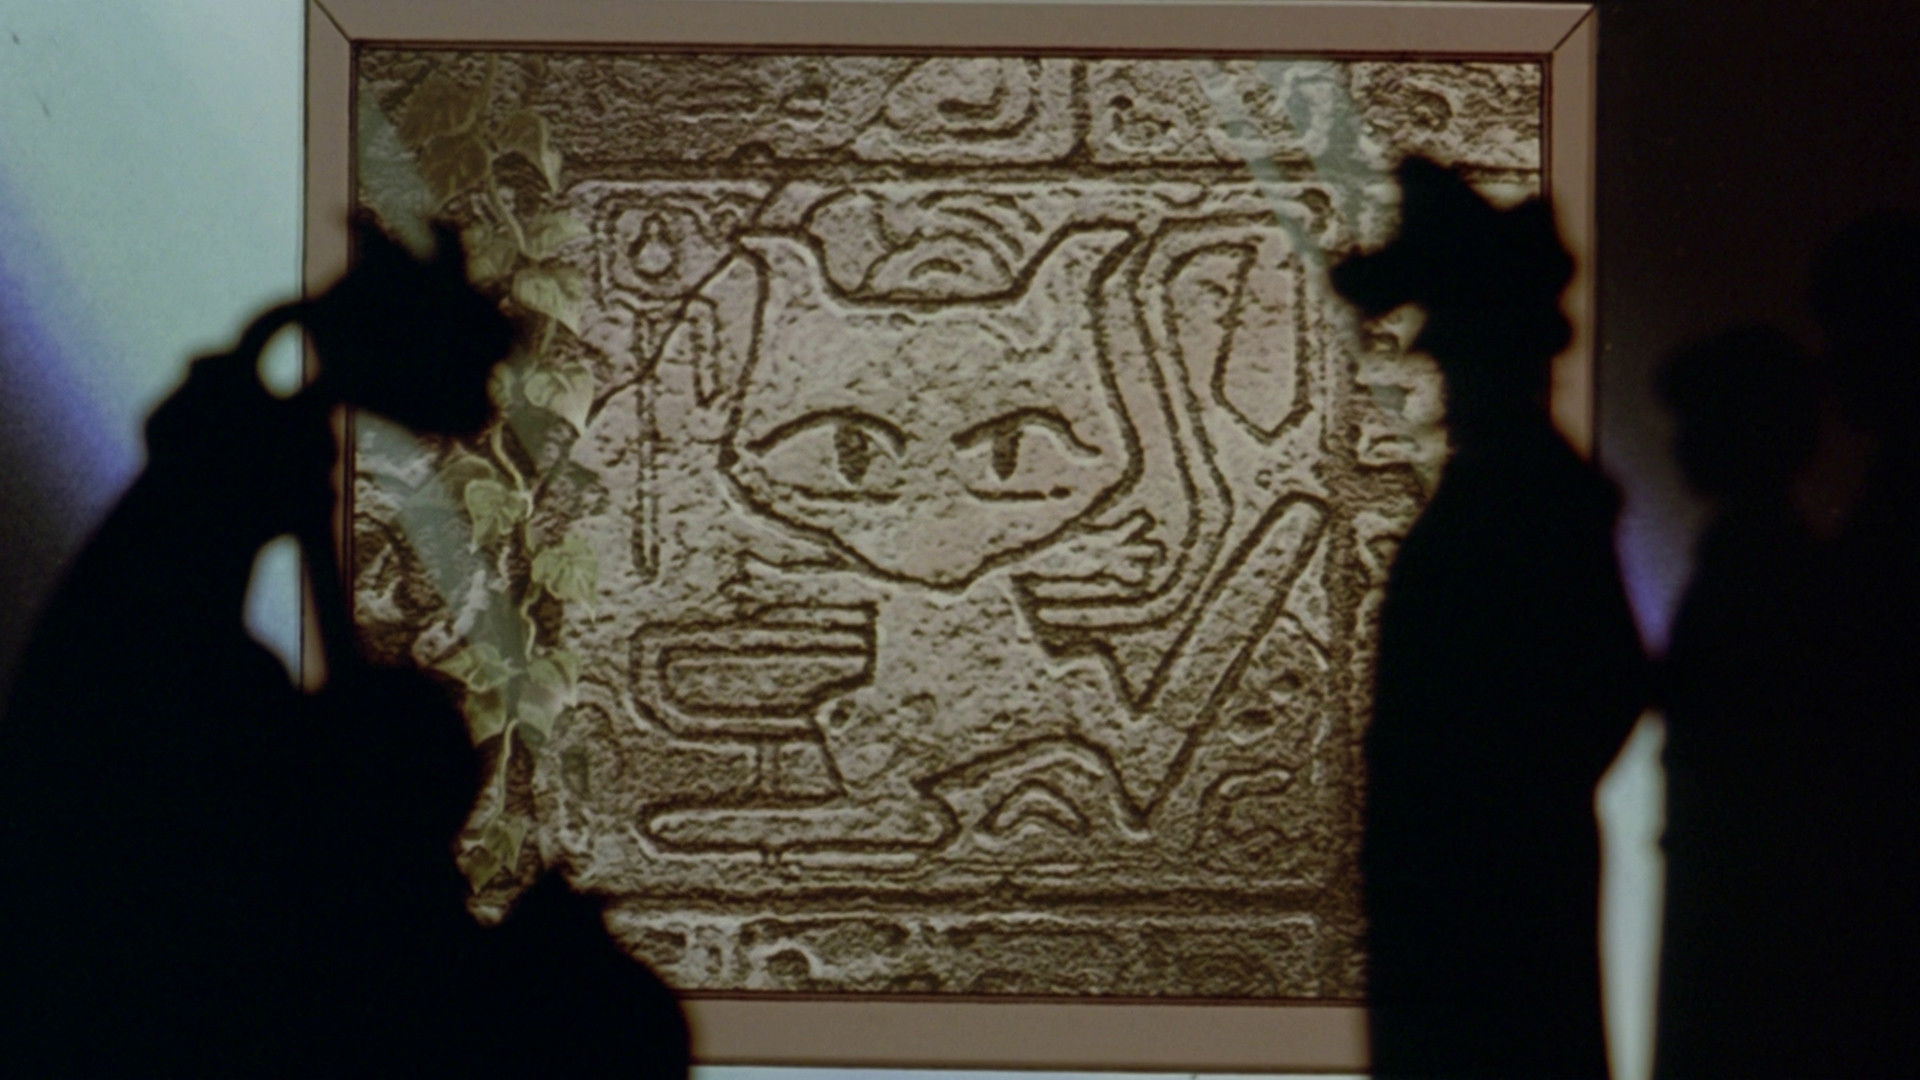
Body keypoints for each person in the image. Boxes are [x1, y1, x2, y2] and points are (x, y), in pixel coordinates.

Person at [0, 219, 689, 1076]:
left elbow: (93, 724)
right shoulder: (351, 918)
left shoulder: (285, 943)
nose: (584, 900)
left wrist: (205, 494)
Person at [1332, 157, 1647, 1079]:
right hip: (1475, 912)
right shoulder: (1525, 493)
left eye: (1461, 353)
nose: (1451, 380)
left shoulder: (1526, 500)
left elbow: (1596, 693)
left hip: (1481, 922)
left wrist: (1480, 815)